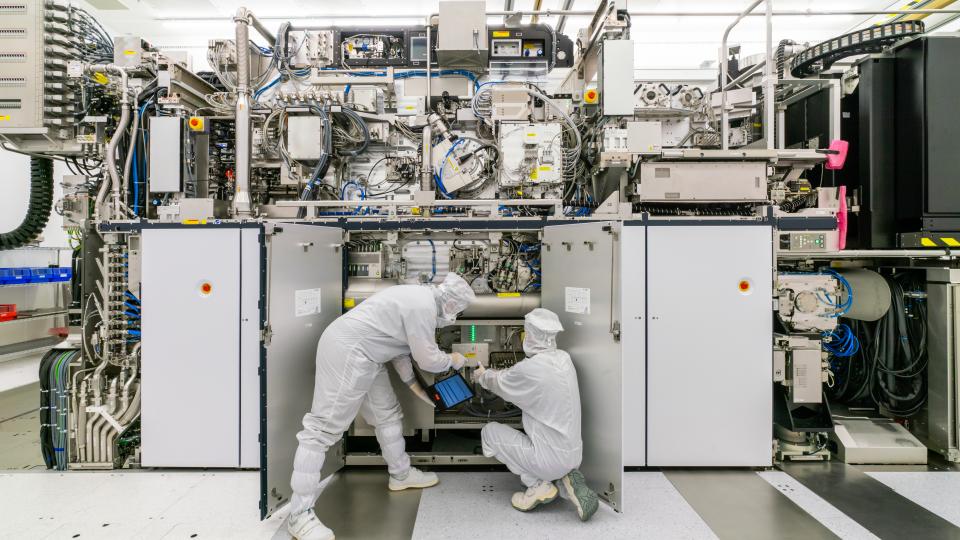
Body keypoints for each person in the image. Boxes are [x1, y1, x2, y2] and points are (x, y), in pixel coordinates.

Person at [287, 273, 477, 540]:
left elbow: (400, 352)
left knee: (387, 414)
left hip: (369, 355)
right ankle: (299, 516)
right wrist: (455, 360)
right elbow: (428, 360)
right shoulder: (421, 306)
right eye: (458, 309)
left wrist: (423, 393)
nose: (455, 315)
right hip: (349, 351)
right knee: (321, 430)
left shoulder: (418, 298)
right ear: (451, 302)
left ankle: (400, 474)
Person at [472, 308, 599, 521]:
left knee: (489, 432)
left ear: (530, 335)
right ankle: (566, 481)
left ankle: (538, 485)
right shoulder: (564, 359)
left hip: (548, 460)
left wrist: (482, 375)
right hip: (574, 455)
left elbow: (500, 382)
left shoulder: (531, 369)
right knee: (546, 443)